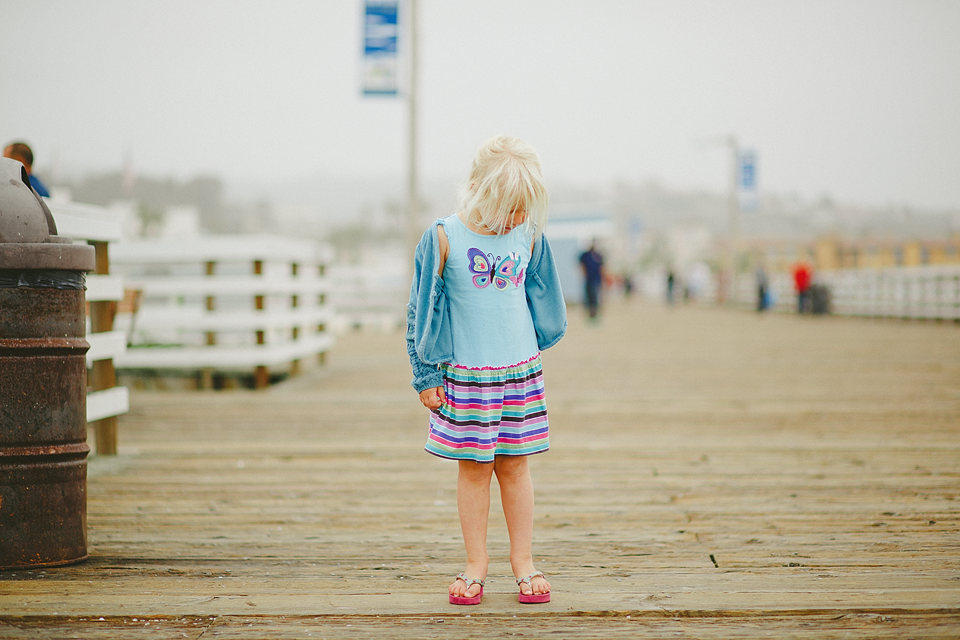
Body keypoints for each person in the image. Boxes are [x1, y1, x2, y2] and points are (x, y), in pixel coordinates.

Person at [406, 135, 566, 606]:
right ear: (475, 189)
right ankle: (476, 563)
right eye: (507, 208)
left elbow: (541, 294)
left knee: (516, 467)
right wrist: (426, 375)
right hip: (466, 376)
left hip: (518, 374)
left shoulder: (528, 236)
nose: (515, 218)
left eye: (523, 209)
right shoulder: (443, 236)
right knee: (474, 470)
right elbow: (420, 310)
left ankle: (524, 561)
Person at [578, 241, 604, 319]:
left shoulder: (598, 256)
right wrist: (583, 274)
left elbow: (602, 268)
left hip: (596, 280)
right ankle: (589, 313)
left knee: (595, 297)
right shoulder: (585, 255)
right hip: (588, 279)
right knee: (588, 297)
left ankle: (595, 314)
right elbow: (581, 265)